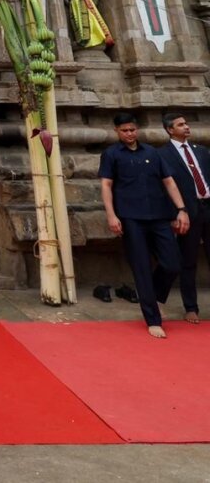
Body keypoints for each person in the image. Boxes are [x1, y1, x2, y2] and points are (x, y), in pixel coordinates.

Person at [99, 111, 189, 338]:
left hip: (159, 215)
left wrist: (181, 209)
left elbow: (168, 182)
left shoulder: (152, 152)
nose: (129, 134)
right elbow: (106, 185)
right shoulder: (111, 154)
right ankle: (153, 319)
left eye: (132, 130)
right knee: (141, 268)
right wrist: (111, 215)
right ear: (116, 132)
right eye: (124, 131)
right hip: (130, 218)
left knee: (173, 263)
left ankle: (156, 295)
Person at [159, 112, 210, 323]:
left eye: (186, 123)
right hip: (187, 212)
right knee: (188, 261)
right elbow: (164, 188)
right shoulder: (162, 155)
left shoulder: (202, 151)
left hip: (208, 207)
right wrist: (176, 213)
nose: (186, 127)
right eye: (181, 125)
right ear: (170, 130)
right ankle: (191, 307)